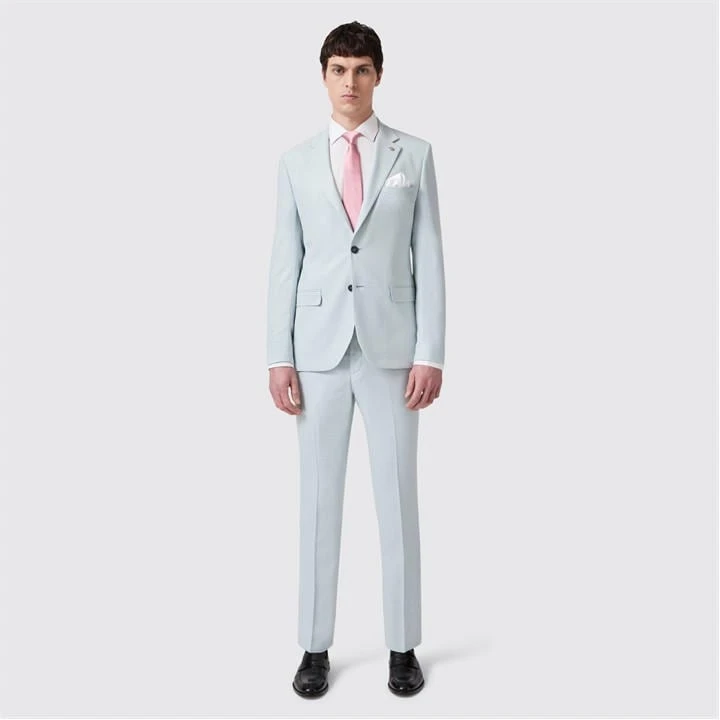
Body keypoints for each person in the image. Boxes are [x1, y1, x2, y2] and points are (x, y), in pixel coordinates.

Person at [265, 20, 446, 698]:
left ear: (378, 75)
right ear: (324, 76)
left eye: (362, 69)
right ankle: (314, 648)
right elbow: (285, 264)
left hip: (393, 352)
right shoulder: (295, 162)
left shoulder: (414, 155)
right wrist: (277, 355)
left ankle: (403, 646)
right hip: (316, 352)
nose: (350, 82)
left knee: (397, 498)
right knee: (318, 502)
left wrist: (431, 351)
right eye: (339, 69)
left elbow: (430, 258)